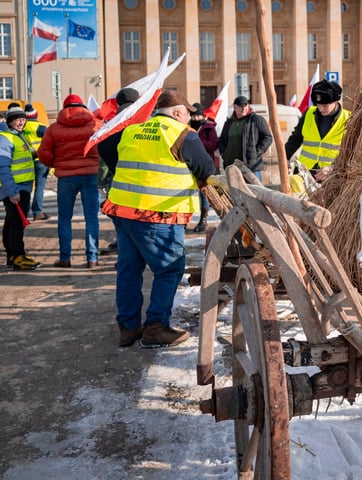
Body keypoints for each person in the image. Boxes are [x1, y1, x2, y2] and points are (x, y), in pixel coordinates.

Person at [98, 91, 215, 348]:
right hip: (157, 214)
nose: (188, 120)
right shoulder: (183, 135)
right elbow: (207, 169)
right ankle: (155, 328)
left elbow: (108, 150)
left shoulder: (132, 131)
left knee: (129, 270)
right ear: (176, 113)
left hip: (123, 211)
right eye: (186, 114)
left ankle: (128, 328)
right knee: (169, 269)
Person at [38, 94, 104, 269]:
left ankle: (65, 258)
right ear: (82, 107)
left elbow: (43, 153)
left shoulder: (54, 129)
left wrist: (57, 164)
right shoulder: (96, 125)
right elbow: (104, 147)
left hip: (66, 177)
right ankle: (92, 258)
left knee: (64, 218)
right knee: (91, 218)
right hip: (91, 174)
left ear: (64, 108)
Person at [0, 106, 42, 270]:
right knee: (17, 223)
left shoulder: (16, 136)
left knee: (12, 222)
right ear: (10, 121)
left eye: (23, 119)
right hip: (14, 189)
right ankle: (18, 256)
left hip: (22, 187)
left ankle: (12, 255)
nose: (21, 122)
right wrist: (12, 192)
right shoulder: (3, 139)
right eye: (18, 119)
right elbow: (3, 168)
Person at [99, 87, 139, 256]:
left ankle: (124, 253)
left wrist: (114, 167)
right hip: (140, 179)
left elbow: (103, 146)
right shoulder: (141, 119)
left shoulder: (113, 121)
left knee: (121, 221)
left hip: (117, 180)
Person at [285, 80, 351, 181]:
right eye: (318, 105)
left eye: (325, 106)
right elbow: (295, 139)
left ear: (335, 101)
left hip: (332, 176)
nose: (320, 109)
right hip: (304, 172)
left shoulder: (349, 119)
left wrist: (333, 168)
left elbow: (353, 152)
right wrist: (285, 157)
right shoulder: (309, 113)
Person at [218, 96, 272, 181]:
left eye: (245, 106)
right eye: (240, 106)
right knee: (235, 193)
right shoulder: (228, 123)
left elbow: (267, 137)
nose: (243, 109)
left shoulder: (256, 120)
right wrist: (224, 154)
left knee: (255, 192)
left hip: (252, 167)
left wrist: (257, 152)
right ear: (235, 107)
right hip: (232, 167)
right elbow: (221, 141)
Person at [189, 102, 219, 232]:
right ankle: (186, 219)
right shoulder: (189, 127)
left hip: (204, 164)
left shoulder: (208, 128)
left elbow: (213, 145)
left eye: (197, 116)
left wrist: (196, 141)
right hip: (190, 165)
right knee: (189, 194)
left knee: (204, 194)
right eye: (193, 116)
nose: (195, 119)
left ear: (202, 115)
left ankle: (203, 220)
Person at [22, 103, 49, 220]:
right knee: (39, 186)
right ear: (35, 115)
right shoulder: (41, 127)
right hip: (40, 160)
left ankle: (24, 212)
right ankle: (37, 212)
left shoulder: (21, 128)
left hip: (26, 161)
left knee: (27, 187)